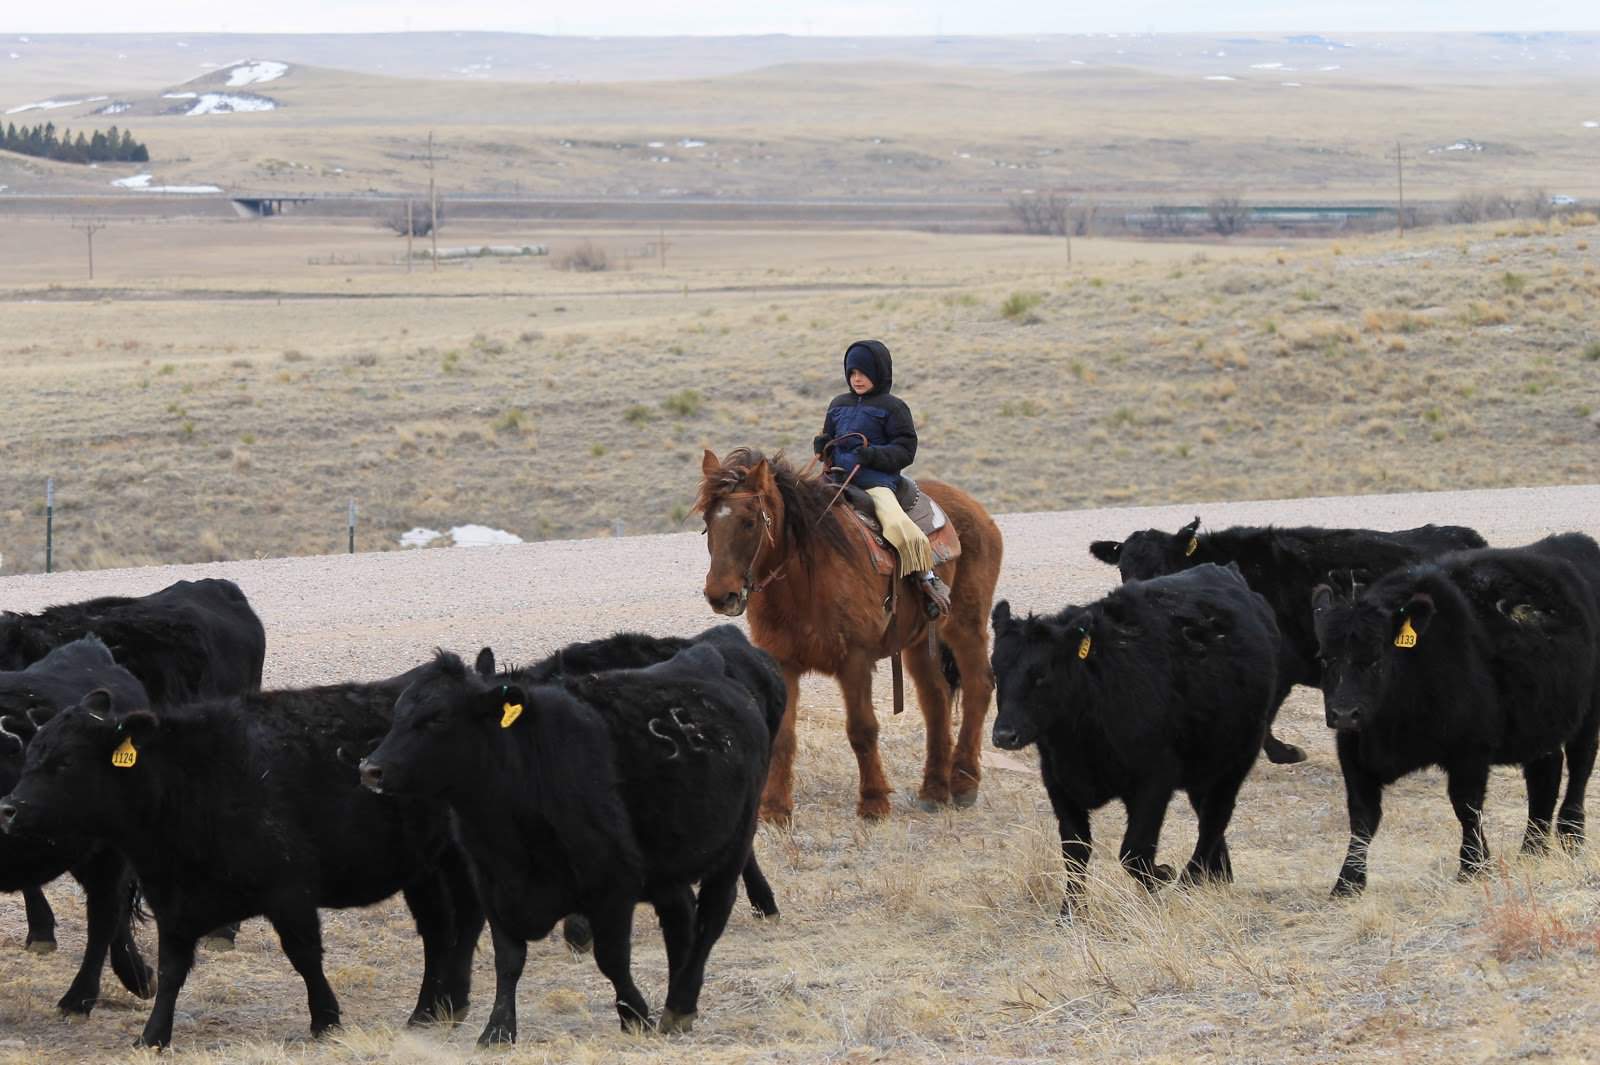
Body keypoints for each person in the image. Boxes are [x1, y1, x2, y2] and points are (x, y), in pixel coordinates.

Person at [814, 339, 951, 617]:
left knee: (899, 526)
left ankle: (928, 579)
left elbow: (906, 449)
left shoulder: (894, 407)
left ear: (879, 373)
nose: (857, 379)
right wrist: (822, 444)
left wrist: (871, 454)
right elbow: (830, 434)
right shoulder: (838, 404)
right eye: (852, 373)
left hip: (876, 483)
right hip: (836, 478)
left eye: (863, 373)